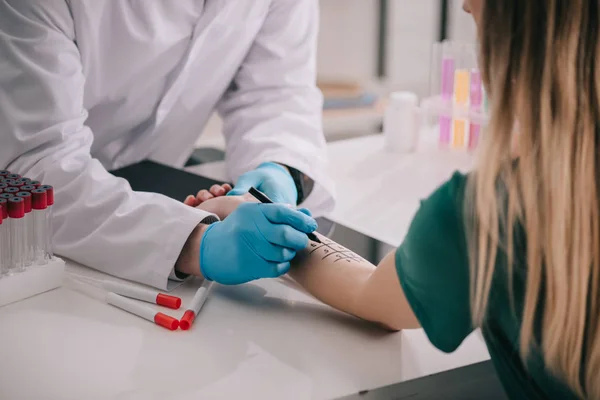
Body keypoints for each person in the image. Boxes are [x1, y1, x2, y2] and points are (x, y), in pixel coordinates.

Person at [191, 0, 600, 398]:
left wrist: (256, 217)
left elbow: (375, 299)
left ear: (506, 43)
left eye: (474, 17)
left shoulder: (484, 215)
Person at [0, 0, 335, 289]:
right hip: (24, 240)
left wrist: (282, 169)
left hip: (155, 192)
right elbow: (39, 166)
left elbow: (274, 93)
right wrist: (191, 243)